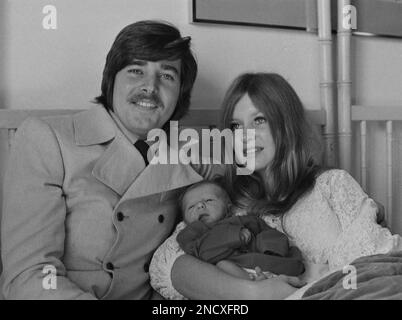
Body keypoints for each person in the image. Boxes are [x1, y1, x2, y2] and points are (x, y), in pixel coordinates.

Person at [0, 20, 222, 300]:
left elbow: (250, 189)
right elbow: (28, 277)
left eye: (167, 76)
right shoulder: (47, 138)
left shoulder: (186, 152)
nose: (149, 87)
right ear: (111, 79)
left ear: (180, 95)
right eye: (136, 70)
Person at [149, 72, 402, 300]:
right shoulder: (224, 201)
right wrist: (254, 292)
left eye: (259, 120)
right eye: (236, 126)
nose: (246, 134)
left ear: (285, 124)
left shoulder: (332, 184)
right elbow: (166, 266)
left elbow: (375, 256)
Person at [176, 180, 305, 280]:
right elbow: (204, 252)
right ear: (185, 221)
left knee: (287, 253)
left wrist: (271, 249)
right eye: (191, 207)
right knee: (223, 265)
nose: (200, 205)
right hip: (235, 275)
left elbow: (268, 232)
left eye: (209, 200)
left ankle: (279, 277)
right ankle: (257, 285)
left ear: (228, 207)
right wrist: (234, 235)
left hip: (264, 261)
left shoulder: (246, 220)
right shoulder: (190, 235)